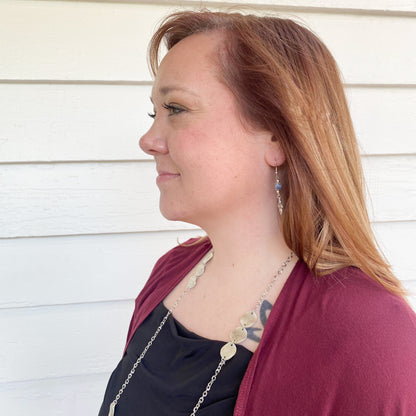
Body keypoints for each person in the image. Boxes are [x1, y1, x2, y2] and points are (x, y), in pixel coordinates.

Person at [99, 10, 416, 416]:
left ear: (279, 136)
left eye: (176, 109)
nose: (148, 140)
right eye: (153, 113)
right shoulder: (171, 273)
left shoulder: (369, 332)